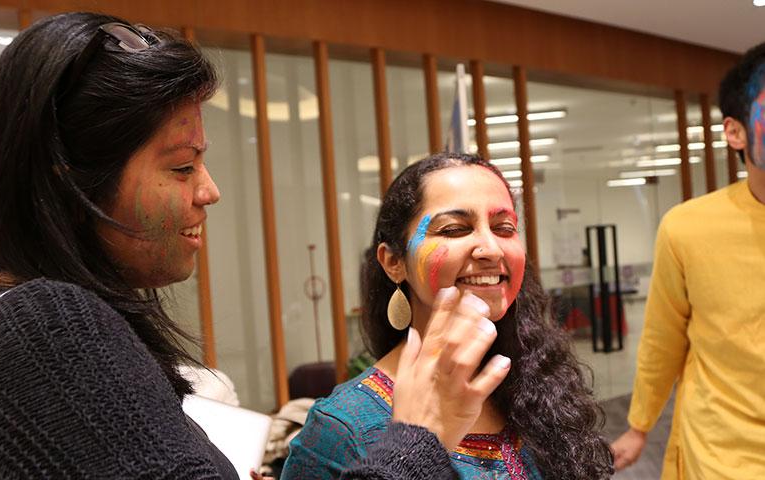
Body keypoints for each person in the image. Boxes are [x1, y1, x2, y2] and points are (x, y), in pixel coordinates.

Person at [0, 12, 510, 479]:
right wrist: (420, 434)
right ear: (70, 179)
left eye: (505, 226)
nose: (209, 191)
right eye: (180, 167)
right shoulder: (45, 331)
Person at [282, 153, 614, 480]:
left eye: (504, 228)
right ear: (394, 262)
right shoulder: (341, 428)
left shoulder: (538, 384)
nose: (491, 249)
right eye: (455, 229)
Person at [611, 42, 765, 478]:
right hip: (720, 454)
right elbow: (663, 338)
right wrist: (639, 427)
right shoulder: (687, 228)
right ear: (735, 132)